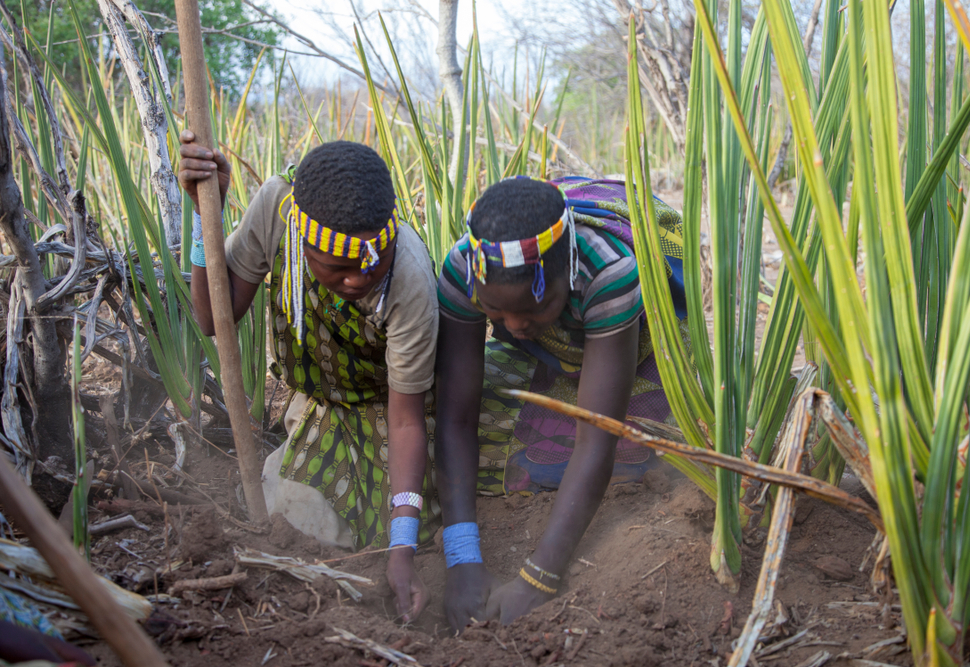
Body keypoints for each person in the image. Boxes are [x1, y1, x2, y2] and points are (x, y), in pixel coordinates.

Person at [178, 135, 440, 623]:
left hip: (394, 409)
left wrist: (401, 552)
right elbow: (214, 318)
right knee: (295, 518)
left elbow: (406, 424)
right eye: (339, 270)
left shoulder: (408, 281)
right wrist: (203, 215)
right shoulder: (278, 211)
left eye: (371, 266)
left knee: (394, 527)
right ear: (303, 242)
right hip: (323, 405)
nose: (359, 281)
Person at [434, 176, 686, 628]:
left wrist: (539, 580)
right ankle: (557, 351)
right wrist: (461, 560)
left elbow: (596, 440)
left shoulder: (609, 272)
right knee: (438, 426)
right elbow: (456, 417)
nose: (515, 324)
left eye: (535, 309)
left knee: (665, 455)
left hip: (642, 343)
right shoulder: (466, 269)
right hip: (559, 350)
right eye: (496, 312)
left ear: (565, 272)